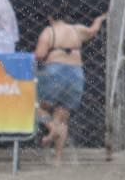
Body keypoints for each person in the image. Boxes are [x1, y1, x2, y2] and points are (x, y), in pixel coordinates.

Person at [35, 10, 105, 164]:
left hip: (54, 73)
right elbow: (93, 31)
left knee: (36, 106)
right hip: (75, 74)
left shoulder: (49, 31)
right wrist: (99, 19)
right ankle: (58, 159)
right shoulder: (77, 30)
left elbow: (40, 55)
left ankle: (52, 128)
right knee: (62, 116)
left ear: (50, 17)